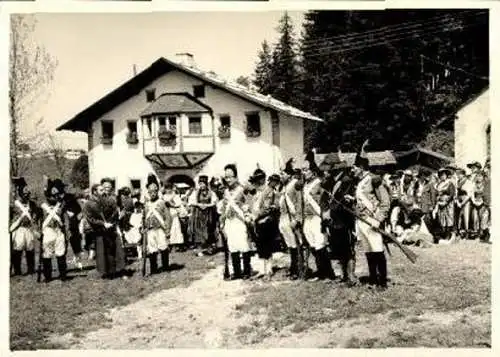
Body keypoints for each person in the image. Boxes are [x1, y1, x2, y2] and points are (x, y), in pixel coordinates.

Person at [353, 140, 390, 290]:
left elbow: (385, 201)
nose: (352, 170)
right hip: (361, 219)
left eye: (355, 167)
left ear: (361, 167)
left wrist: (379, 219)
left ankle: (382, 282)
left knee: (377, 249)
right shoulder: (361, 182)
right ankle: (373, 279)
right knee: (368, 251)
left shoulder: (374, 179)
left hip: (372, 219)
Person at [301, 153, 336, 281]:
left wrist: (326, 215)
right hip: (307, 217)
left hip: (317, 217)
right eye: (303, 170)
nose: (304, 173)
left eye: (306, 170)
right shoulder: (305, 185)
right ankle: (321, 271)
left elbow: (326, 200)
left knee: (320, 244)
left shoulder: (319, 183)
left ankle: (328, 273)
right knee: (313, 245)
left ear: (313, 171)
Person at [84, 178, 127, 279]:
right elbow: (90, 219)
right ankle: (106, 273)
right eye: (101, 190)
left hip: (111, 229)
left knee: (115, 250)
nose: (104, 192)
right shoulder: (89, 204)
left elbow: (115, 211)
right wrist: (103, 223)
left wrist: (112, 221)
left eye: (105, 190)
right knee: (103, 252)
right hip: (99, 231)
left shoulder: (109, 200)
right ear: (95, 191)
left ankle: (118, 271)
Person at [325, 161, 358, 286]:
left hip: (345, 221)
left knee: (348, 249)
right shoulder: (334, 182)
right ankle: (344, 275)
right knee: (339, 249)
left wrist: (331, 209)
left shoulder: (346, 181)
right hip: (336, 221)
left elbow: (344, 202)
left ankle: (351, 276)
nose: (329, 171)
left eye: (333, 169)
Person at [220, 164, 253, 280]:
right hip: (229, 221)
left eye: (230, 177)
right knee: (232, 246)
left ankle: (247, 271)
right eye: (226, 177)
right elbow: (224, 208)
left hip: (240, 221)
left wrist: (248, 214)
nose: (228, 180)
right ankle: (237, 271)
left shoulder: (243, 189)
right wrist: (222, 222)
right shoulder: (225, 192)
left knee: (243, 245)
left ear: (235, 177)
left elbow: (250, 202)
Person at [251, 172, 281, 280]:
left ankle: (268, 270)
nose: (256, 182)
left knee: (267, 246)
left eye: (258, 180)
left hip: (266, 221)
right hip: (258, 221)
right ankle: (261, 270)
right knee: (260, 246)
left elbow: (267, 208)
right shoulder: (257, 192)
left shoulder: (269, 191)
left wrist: (256, 215)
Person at [10, 177, 41, 276]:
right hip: (18, 228)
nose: (26, 195)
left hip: (28, 228)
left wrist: (36, 229)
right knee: (17, 249)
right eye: (24, 193)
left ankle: (31, 269)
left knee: (30, 249)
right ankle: (17, 270)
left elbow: (35, 216)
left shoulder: (32, 204)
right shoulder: (13, 204)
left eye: (27, 193)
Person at [40, 178, 69, 282]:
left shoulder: (62, 203)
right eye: (53, 189)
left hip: (58, 230)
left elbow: (65, 217)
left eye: (56, 189)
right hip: (48, 230)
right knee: (47, 254)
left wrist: (66, 228)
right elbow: (39, 218)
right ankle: (47, 276)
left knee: (60, 253)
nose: (54, 192)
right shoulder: (43, 202)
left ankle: (63, 276)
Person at [278, 158, 303, 280]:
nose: (281, 175)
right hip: (284, 217)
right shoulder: (284, 186)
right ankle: (294, 268)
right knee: (290, 245)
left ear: (289, 174)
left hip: (291, 218)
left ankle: (299, 269)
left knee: (296, 244)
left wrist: (297, 219)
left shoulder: (294, 184)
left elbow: (298, 203)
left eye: (283, 173)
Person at [144, 174, 173, 274]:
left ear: (157, 191)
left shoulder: (162, 203)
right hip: (150, 229)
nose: (152, 193)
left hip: (160, 228)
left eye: (154, 191)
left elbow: (168, 218)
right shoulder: (147, 204)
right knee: (152, 249)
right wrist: (143, 227)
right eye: (150, 192)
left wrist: (168, 231)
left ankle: (165, 267)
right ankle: (154, 269)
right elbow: (144, 217)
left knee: (163, 246)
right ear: (148, 192)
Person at [188, 176, 218, 255]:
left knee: (208, 229)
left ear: (205, 184)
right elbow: (191, 202)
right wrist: (199, 204)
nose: (201, 185)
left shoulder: (211, 193)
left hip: (208, 213)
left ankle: (209, 248)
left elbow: (214, 202)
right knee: (199, 231)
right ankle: (200, 249)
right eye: (200, 184)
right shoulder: (196, 192)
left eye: (202, 184)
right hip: (198, 213)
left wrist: (207, 205)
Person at [433, 167, 457, 243]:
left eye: (444, 175)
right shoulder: (439, 184)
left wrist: (446, 202)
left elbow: (452, 194)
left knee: (448, 218)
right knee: (441, 219)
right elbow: (436, 194)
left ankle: (449, 235)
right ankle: (443, 234)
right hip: (440, 203)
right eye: (441, 175)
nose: (442, 176)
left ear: (446, 175)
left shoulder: (450, 183)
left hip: (448, 203)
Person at [163, 183, 185, 252]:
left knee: (176, 228)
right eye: (167, 189)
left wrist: (172, 204)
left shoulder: (175, 196)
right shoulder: (164, 196)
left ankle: (177, 245)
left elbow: (179, 204)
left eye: (169, 189)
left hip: (173, 212)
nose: (168, 190)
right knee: (168, 229)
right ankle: (169, 245)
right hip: (167, 213)